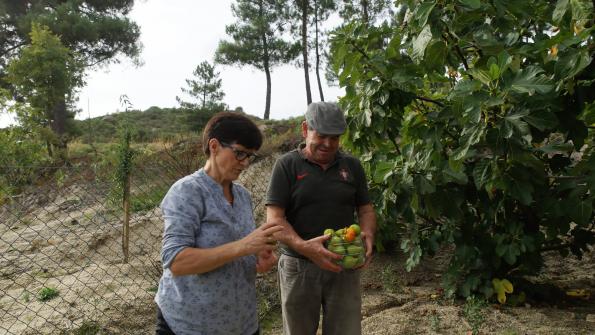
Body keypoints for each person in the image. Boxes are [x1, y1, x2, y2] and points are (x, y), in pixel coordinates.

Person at [155, 112, 282, 335]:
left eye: (250, 156)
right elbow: (176, 262)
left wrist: (257, 258)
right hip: (191, 325)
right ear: (214, 146)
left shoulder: (242, 196)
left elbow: (236, 253)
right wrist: (244, 246)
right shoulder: (187, 192)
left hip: (241, 322)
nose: (245, 163)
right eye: (240, 153)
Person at [266, 102, 377, 335]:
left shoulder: (352, 166)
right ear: (306, 129)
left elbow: (365, 209)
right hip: (299, 267)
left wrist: (367, 235)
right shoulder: (287, 165)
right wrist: (306, 248)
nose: (328, 144)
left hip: (343, 266)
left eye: (335, 138)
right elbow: (275, 220)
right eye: (322, 135)